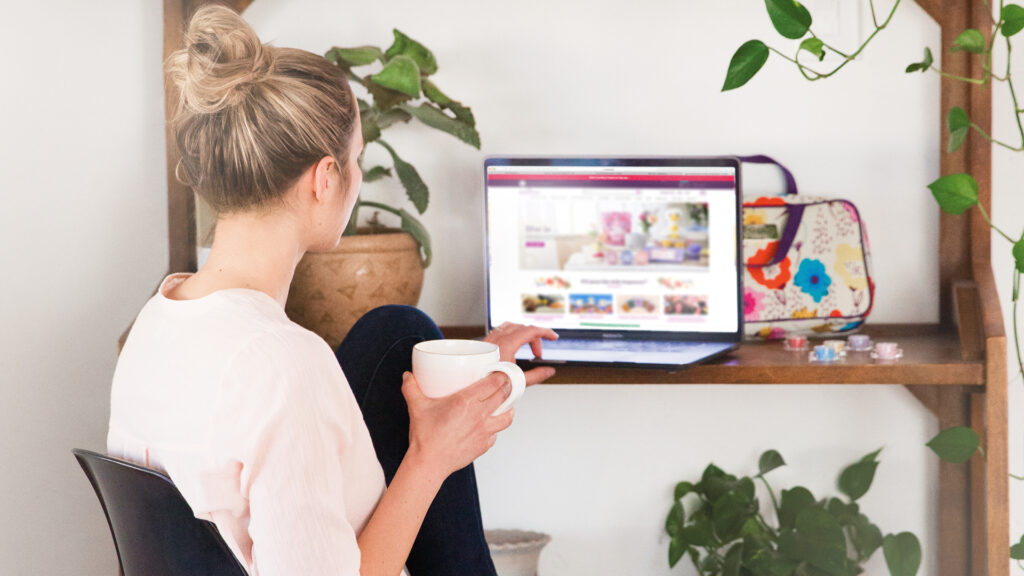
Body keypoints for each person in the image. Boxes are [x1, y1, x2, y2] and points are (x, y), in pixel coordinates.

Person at [106, 5, 557, 576]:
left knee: (396, 333)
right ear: (324, 179)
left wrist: (467, 367)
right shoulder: (286, 366)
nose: (357, 175)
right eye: (357, 158)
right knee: (400, 358)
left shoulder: (156, 319)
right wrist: (430, 458)